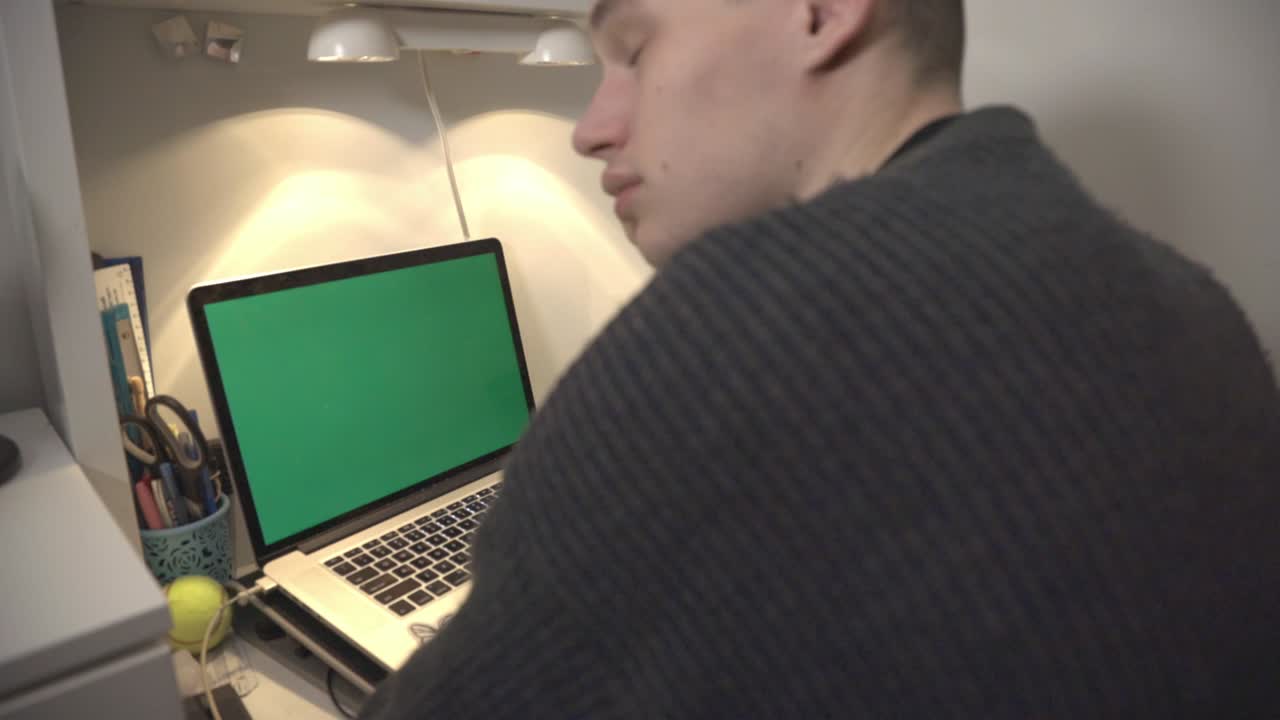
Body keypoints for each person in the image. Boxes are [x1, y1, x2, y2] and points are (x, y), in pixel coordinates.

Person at [363, 0, 1280, 717]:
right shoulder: (1198, 305)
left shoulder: (743, 325)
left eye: (635, 50)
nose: (591, 127)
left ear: (821, 13)